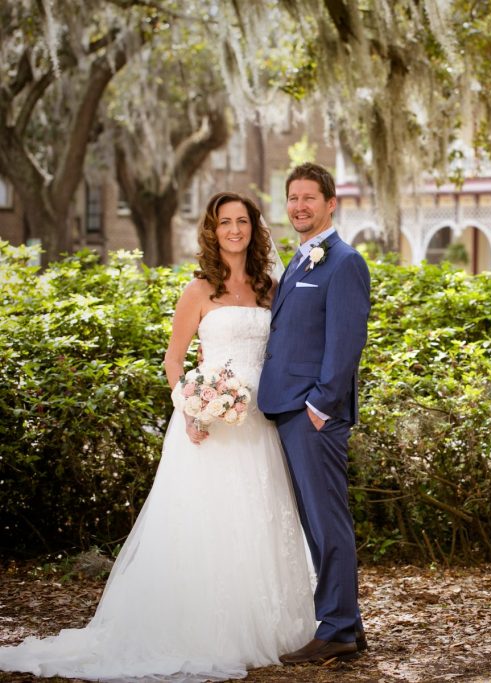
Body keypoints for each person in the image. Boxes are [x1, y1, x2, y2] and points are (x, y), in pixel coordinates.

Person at [0, 192, 315, 681]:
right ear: (212, 231)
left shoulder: (271, 288)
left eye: (242, 221)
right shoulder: (198, 290)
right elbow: (174, 361)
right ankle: (206, 630)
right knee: (206, 526)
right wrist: (190, 407)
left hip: (258, 424)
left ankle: (265, 626)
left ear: (255, 227)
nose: (234, 230)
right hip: (206, 425)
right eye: (224, 222)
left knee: (259, 519)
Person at [258, 162, 371, 663]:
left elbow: (346, 343)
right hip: (286, 409)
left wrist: (320, 407)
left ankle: (339, 631)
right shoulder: (300, 261)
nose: (299, 206)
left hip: (313, 414)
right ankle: (347, 623)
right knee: (315, 523)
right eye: (292, 198)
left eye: (309, 197)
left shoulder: (344, 262)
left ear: (330, 203)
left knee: (328, 524)